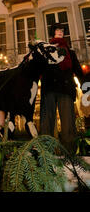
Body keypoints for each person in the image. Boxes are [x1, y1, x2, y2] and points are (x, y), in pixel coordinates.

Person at [40, 22, 84, 152]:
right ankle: (46, 154)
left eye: (62, 30)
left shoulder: (70, 51)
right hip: (49, 89)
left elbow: (78, 70)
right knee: (47, 123)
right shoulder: (46, 50)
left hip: (65, 89)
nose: (60, 32)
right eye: (57, 30)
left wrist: (86, 87)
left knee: (68, 123)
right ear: (53, 32)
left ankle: (70, 154)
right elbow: (39, 69)